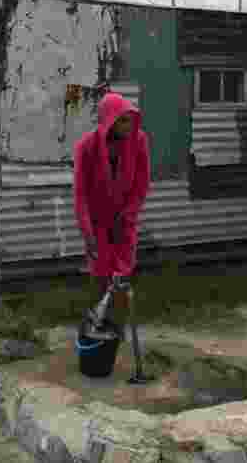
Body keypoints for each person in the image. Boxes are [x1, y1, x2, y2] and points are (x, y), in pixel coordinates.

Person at [73, 92, 151, 328]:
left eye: (130, 119)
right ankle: (97, 327)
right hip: (97, 224)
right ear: (109, 121)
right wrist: (88, 235)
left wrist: (128, 215)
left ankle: (117, 329)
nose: (129, 126)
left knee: (122, 278)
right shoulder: (87, 147)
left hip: (124, 222)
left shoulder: (139, 141)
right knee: (100, 277)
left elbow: (141, 184)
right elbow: (81, 194)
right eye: (122, 120)